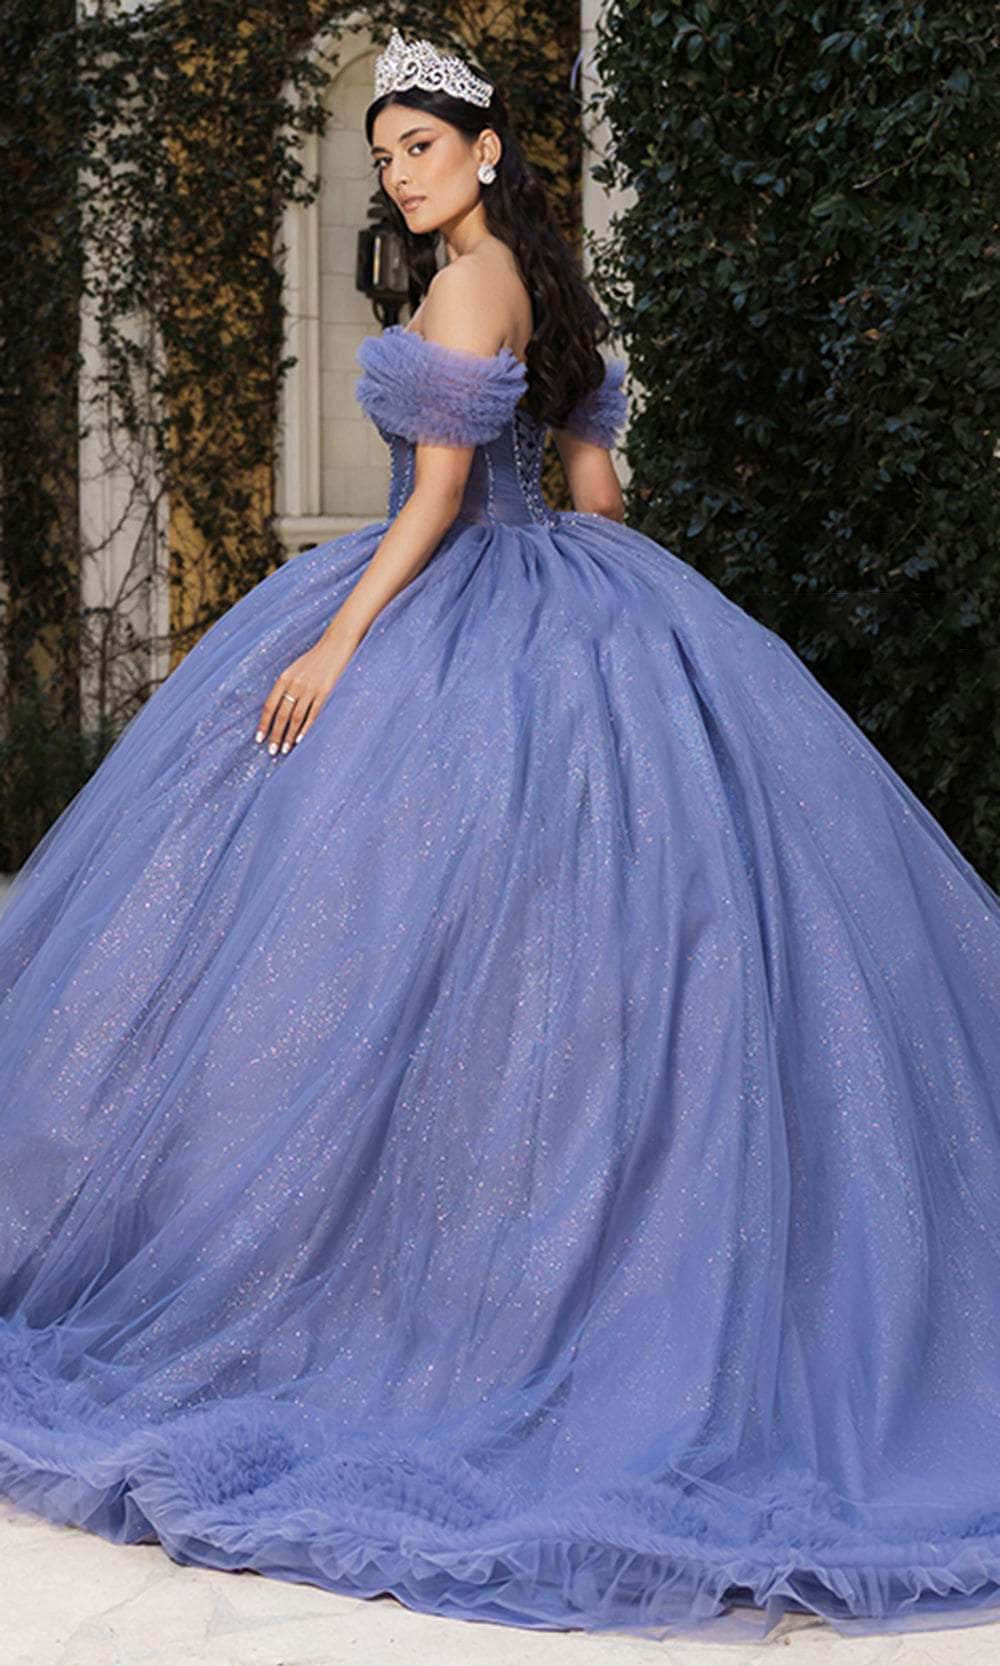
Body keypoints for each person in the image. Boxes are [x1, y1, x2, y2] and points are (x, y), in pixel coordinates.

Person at [1, 26, 999, 1648]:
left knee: (384, 919)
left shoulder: (469, 287)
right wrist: (634, 635)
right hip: (572, 591)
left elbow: (431, 499)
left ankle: (426, 1271)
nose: (398, 171)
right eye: (382, 150)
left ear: (485, 149)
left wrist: (338, 642)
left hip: (458, 588)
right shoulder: (552, 282)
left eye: (421, 145)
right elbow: (598, 494)